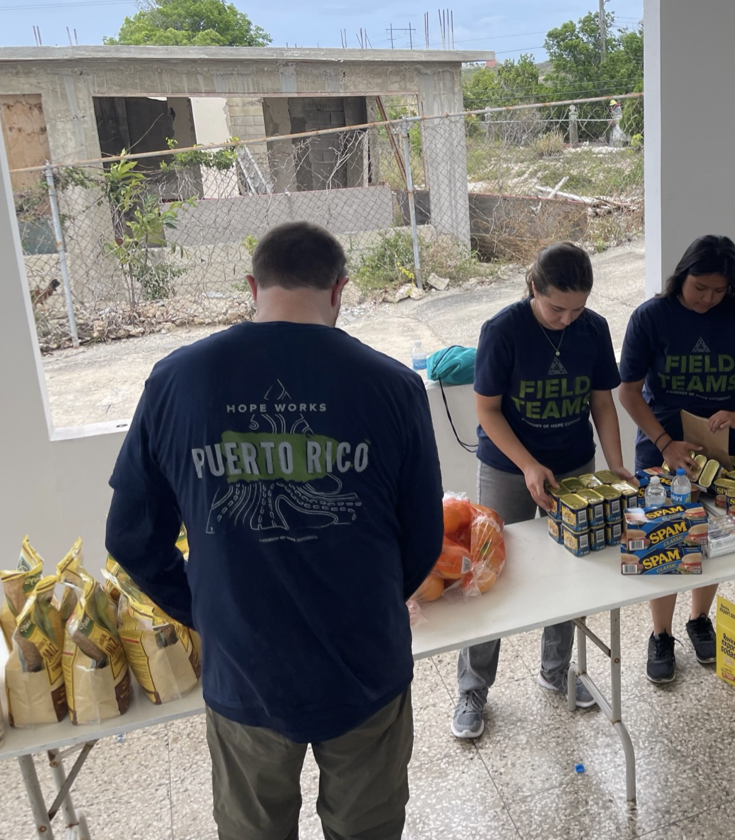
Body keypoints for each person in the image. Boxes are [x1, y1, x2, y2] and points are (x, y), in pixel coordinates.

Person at [105, 222, 444, 840]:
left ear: (251, 286)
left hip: (245, 667)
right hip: (365, 661)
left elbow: (131, 537)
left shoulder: (177, 381)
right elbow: (422, 536)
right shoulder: (394, 386)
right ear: (340, 289)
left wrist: (210, 610)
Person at [452, 242, 632, 739]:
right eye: (557, 308)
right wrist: (529, 465)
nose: (567, 319)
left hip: (574, 462)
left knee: (570, 570)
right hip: (509, 466)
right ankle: (473, 687)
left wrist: (615, 465)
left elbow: (602, 403)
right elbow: (486, 410)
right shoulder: (503, 331)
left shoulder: (592, 329)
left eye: (578, 308)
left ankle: (558, 671)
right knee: (487, 574)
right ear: (533, 287)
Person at [618, 235, 735, 683]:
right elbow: (628, 393)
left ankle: (699, 618)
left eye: (719, 291)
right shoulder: (650, 317)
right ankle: (660, 634)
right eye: (700, 288)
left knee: (714, 536)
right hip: (663, 447)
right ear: (682, 276)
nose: (708, 299)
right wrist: (663, 441)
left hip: (723, 451)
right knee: (665, 541)